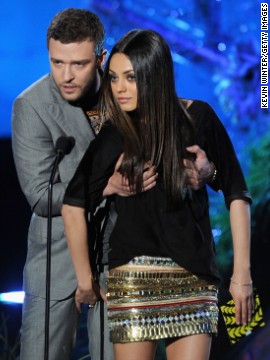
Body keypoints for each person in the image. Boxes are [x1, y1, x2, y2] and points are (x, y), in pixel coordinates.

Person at [11, 9, 213, 360]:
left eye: (78, 64)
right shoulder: (31, 106)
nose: (66, 75)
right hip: (56, 260)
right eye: (57, 62)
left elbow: (182, 162)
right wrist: (106, 186)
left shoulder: (129, 94)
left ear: (100, 58)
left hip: (119, 259)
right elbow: (41, 197)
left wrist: (205, 172)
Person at [62, 29, 253, 360]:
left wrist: (242, 274)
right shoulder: (114, 133)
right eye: (114, 78)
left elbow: (235, 192)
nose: (119, 88)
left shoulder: (200, 118)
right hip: (134, 279)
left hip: (194, 275)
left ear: (155, 74)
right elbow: (74, 203)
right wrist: (84, 279)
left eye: (131, 77)